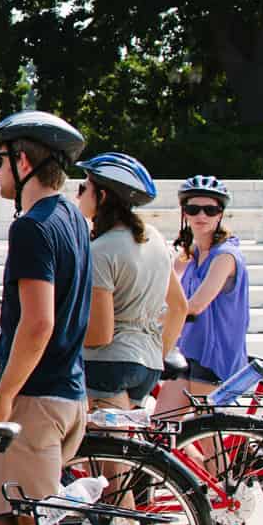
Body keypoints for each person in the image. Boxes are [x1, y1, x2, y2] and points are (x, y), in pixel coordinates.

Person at [0, 111, 92, 525]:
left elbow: (39, 322)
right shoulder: (74, 219)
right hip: (67, 394)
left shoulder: (31, 227)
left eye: (1, 159)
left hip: (33, 400)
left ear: (23, 162)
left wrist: (5, 394)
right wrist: (4, 347)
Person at [74, 153, 182, 409]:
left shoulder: (101, 251)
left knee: (94, 448)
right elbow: (179, 307)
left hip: (107, 365)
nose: (78, 195)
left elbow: (99, 334)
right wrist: (156, 353)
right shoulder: (155, 238)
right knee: (121, 446)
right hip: (148, 363)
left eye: (83, 187)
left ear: (101, 196)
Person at [155, 176, 250, 419]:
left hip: (215, 356)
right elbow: (163, 291)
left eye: (210, 210)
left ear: (220, 214)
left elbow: (196, 305)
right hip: (190, 351)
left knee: (210, 443)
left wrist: (153, 320)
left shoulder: (225, 256)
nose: (202, 216)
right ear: (184, 212)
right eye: (193, 209)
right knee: (161, 427)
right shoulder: (189, 255)